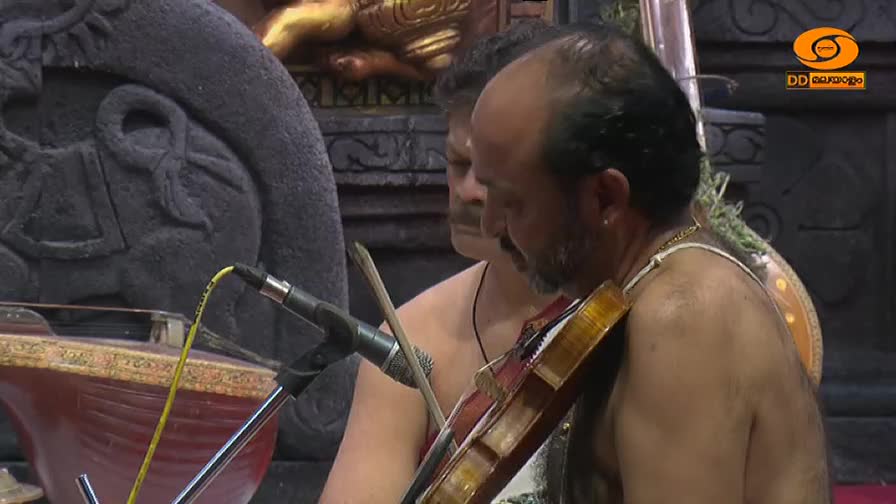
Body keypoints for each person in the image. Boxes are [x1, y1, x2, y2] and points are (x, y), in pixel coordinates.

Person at [469, 22, 832, 504]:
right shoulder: (651, 282)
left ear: (605, 198)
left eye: (511, 202)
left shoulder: (684, 313)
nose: (491, 222)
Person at [318, 20, 572, 503]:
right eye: (458, 164)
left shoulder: (642, 315)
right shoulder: (413, 340)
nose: (471, 192)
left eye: (496, 171)